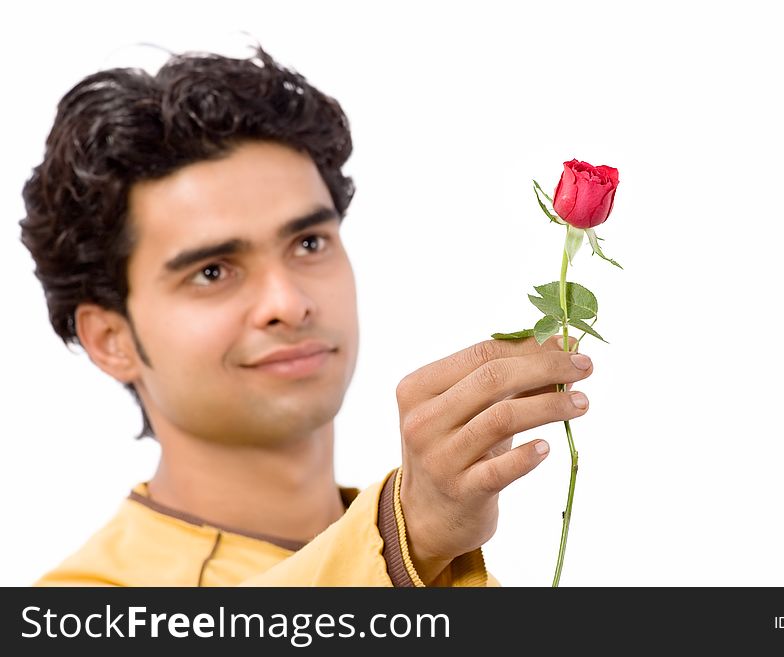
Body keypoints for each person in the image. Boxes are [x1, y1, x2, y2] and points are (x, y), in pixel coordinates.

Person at [19, 45, 594, 587]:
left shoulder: (442, 565)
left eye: (309, 244)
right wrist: (401, 539)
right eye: (212, 271)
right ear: (111, 339)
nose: (289, 302)